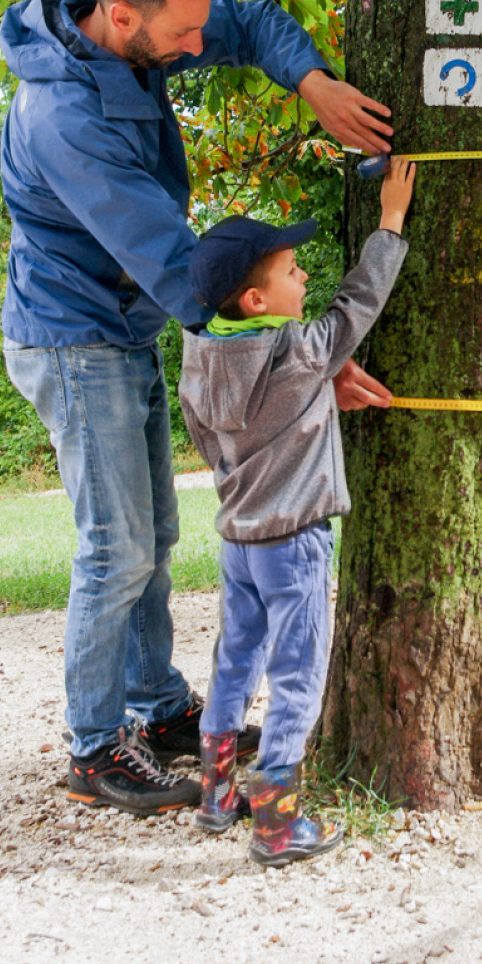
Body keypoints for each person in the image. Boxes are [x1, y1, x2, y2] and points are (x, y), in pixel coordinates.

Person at [0, 0, 395, 816]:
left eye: (195, 30)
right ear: (121, 14)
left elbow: (247, 26)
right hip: (73, 338)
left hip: (123, 325)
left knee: (156, 535)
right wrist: (300, 367)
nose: (194, 48)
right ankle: (97, 744)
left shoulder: (139, 35)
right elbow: (181, 270)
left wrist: (313, 79)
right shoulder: (63, 116)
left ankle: (159, 706)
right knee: (120, 544)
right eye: (182, 37)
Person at [177, 159, 416, 865]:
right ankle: (277, 822)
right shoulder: (299, 351)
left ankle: (215, 792)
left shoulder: (197, 357)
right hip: (295, 546)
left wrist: (311, 404)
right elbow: (356, 306)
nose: (304, 277)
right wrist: (390, 221)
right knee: (298, 676)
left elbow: (215, 436)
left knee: (235, 661)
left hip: (240, 541)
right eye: (290, 270)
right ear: (255, 299)